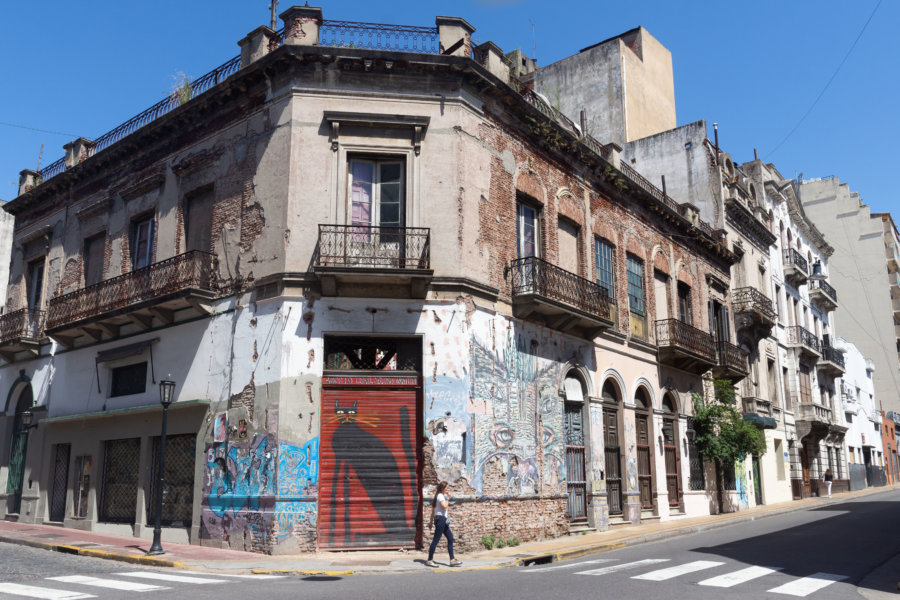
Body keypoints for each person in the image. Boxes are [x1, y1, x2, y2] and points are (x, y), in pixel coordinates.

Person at [425, 481, 462, 567]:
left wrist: (431, 522)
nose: (447, 489)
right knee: (436, 540)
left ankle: (452, 560)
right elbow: (444, 506)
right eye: (447, 488)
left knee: (450, 538)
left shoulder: (437, 497)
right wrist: (448, 498)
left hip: (441, 520)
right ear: (443, 488)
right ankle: (429, 560)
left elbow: (433, 512)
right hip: (440, 520)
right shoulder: (440, 496)